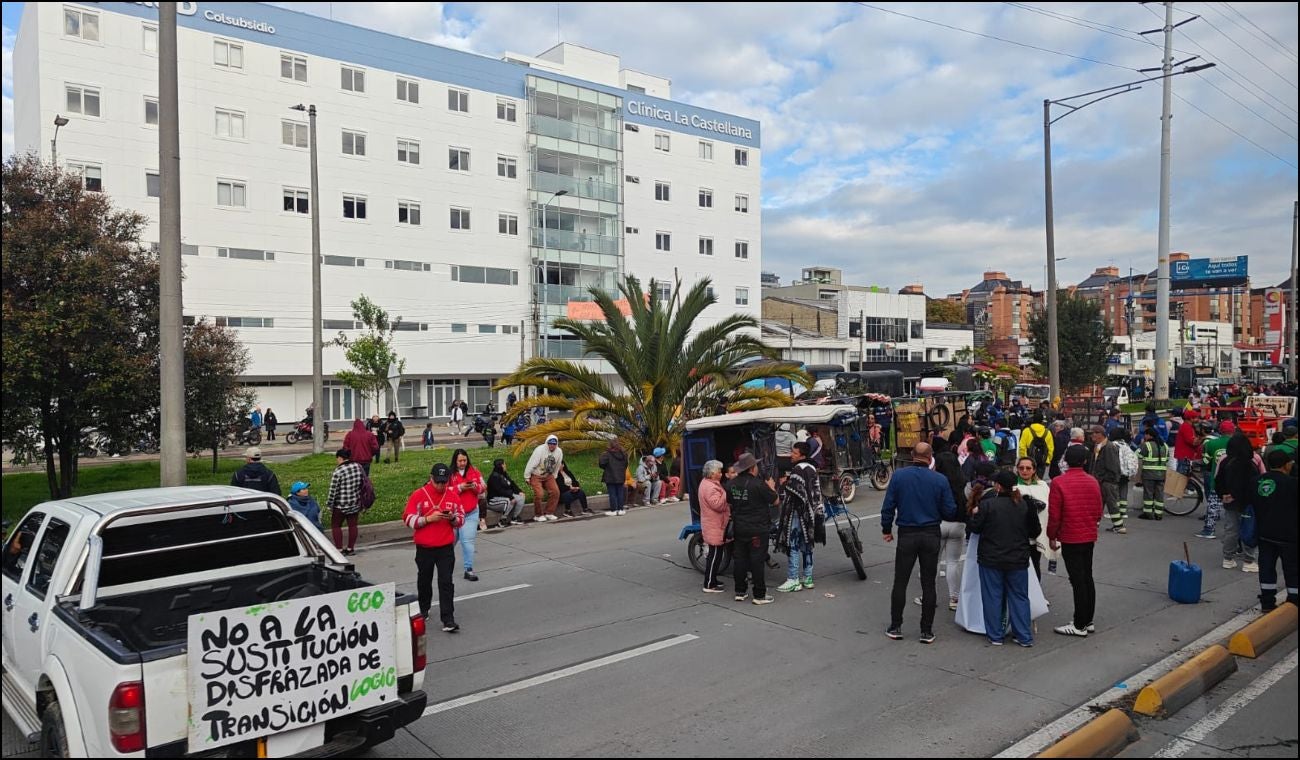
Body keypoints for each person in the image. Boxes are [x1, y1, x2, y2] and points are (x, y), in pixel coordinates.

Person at [879, 442, 958, 644]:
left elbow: (888, 506)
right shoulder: (940, 480)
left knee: (901, 581)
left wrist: (886, 529)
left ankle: (896, 625)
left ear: (912, 455)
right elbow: (950, 510)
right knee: (928, 583)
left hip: (907, 533)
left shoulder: (899, 476)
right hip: (931, 533)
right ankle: (926, 630)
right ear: (930, 456)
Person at [968, 470, 1041, 647]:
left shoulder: (988, 505)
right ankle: (1023, 635)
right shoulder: (1024, 504)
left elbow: (975, 528)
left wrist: (973, 514)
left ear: (998, 486)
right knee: (1020, 597)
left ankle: (995, 635)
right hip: (1018, 557)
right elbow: (1035, 531)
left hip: (991, 558)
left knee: (993, 596)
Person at [1047, 446, 1103, 637]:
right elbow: (1098, 509)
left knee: (1077, 580)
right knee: (1087, 576)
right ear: (1085, 461)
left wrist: (1051, 536)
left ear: (1065, 460)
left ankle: (1079, 624)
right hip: (1088, 534)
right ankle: (1088, 619)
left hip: (1070, 535)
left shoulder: (1058, 482)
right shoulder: (1092, 481)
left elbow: (1054, 515)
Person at [403, 462, 465, 632]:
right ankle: (424, 608)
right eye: (437, 481)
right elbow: (408, 518)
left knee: (446, 582)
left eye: (444, 482)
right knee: (424, 580)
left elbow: (461, 518)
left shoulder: (452, 495)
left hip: (445, 547)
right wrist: (427, 520)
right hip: (424, 547)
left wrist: (452, 518)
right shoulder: (419, 495)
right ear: (431, 478)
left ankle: (448, 618)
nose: (440, 485)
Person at [727, 452, 778, 605]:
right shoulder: (759, 484)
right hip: (757, 528)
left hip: (739, 526)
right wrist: (772, 487)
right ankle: (759, 594)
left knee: (740, 559)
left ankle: (740, 591)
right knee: (757, 560)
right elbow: (775, 501)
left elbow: (729, 503)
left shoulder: (731, 484)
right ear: (751, 468)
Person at [1252, 449, 1298, 611]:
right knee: (1292, 569)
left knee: (1266, 567)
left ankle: (1267, 601)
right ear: (1286, 465)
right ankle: (1293, 602)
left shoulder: (1257, 482)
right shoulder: (1292, 484)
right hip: (1289, 535)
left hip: (1264, 533)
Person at [775, 442, 823, 593]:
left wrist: (783, 484)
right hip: (811, 513)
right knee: (807, 544)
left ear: (802, 455)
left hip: (797, 513)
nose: (791, 455)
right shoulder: (812, 467)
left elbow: (794, 491)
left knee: (793, 544)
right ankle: (807, 578)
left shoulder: (798, 469)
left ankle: (793, 579)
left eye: (794, 453)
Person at [1216, 432, 1261, 573]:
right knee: (1250, 529)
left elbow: (1218, 480)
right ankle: (1249, 560)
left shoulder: (1225, 461)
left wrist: (1223, 494)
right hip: (1248, 502)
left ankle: (1228, 558)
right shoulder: (1251, 463)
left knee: (1231, 530)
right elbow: (1255, 483)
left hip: (1229, 501)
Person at [932, 438, 967, 611]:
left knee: (933, 561)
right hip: (958, 525)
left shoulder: (936, 482)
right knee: (953, 562)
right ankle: (955, 598)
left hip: (938, 524)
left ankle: (928, 596)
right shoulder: (961, 484)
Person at [448, 448, 485, 581]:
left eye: (464, 460)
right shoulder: (449, 474)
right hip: (453, 515)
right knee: (448, 543)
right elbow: (444, 491)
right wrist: (459, 488)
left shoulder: (474, 471)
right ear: (455, 461)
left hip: (471, 513)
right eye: (460, 461)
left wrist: (475, 487)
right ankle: (445, 567)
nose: (462, 463)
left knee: (467, 542)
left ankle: (468, 569)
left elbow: (483, 487)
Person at [1015, 457, 1052, 578]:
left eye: (1028, 468)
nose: (1024, 471)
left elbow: (1050, 506)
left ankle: (1036, 594)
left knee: (1035, 563)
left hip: (1039, 533)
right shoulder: (1013, 487)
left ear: (1034, 470)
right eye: (1021, 468)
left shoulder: (1043, 486)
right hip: (1021, 535)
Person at [698, 459, 730, 593]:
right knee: (714, 556)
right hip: (715, 525)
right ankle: (709, 583)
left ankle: (712, 580)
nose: (721, 474)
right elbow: (718, 505)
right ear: (712, 473)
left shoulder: (708, 483)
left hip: (714, 524)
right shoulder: (710, 487)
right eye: (719, 471)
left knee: (715, 555)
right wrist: (726, 493)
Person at [326, 448, 366, 555]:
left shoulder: (338, 471)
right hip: (355, 502)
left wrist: (329, 504)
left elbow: (333, 490)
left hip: (340, 504)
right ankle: (350, 548)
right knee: (353, 526)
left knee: (336, 525)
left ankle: (339, 549)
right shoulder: (358, 467)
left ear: (340, 458)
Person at [1091, 425, 1125, 534]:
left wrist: (1104, 479)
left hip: (1108, 482)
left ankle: (1119, 526)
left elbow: (1113, 466)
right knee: (1098, 504)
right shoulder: (1099, 446)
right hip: (1102, 481)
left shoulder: (1109, 447)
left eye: (1094, 433)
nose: (1092, 435)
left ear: (1100, 434)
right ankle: (1095, 524)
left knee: (1112, 504)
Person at [524, 434, 563, 521]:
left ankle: (549, 512)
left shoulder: (559, 451)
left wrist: (555, 475)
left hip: (548, 475)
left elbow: (557, 464)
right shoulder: (540, 450)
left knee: (555, 492)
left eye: (554, 444)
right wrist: (527, 476)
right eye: (550, 443)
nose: (552, 446)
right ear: (547, 443)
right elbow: (532, 463)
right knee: (539, 494)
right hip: (536, 475)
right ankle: (538, 515)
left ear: (556, 444)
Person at [1138, 420, 1170, 521]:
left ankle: (1148, 513)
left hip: (1149, 474)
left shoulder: (1146, 445)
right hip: (1161, 474)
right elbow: (1167, 458)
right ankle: (1159, 514)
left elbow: (1137, 455)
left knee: (1148, 493)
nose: (1144, 436)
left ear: (1149, 435)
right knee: (1159, 493)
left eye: (1145, 434)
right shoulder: (1164, 445)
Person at [486, 458, 526, 527]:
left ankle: (514, 518)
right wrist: (511, 496)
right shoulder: (494, 477)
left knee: (521, 498)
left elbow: (512, 483)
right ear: (501, 466)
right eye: (504, 464)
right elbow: (499, 491)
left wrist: (519, 491)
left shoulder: (503, 474)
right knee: (508, 501)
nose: (505, 466)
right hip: (493, 500)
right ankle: (502, 520)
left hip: (504, 496)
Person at [1018, 412, 1055, 480]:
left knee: (1027, 481)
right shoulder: (1048, 432)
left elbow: (1022, 447)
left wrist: (1023, 459)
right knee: (1038, 481)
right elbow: (1051, 448)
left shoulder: (1026, 431)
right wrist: (1048, 460)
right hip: (1042, 461)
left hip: (1028, 461)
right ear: (1042, 421)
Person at [598, 441, 630, 516]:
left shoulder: (607, 454)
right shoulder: (623, 454)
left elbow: (601, 464)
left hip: (610, 476)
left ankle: (614, 510)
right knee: (620, 493)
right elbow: (626, 465)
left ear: (610, 446)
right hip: (621, 476)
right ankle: (620, 509)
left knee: (612, 494)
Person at [1173, 407, 1205, 479]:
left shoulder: (1189, 426)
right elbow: (1193, 442)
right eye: (1196, 418)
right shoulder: (1186, 427)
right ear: (1191, 418)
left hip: (1186, 457)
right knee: (1181, 479)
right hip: (1184, 457)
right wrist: (1202, 437)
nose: (1198, 420)